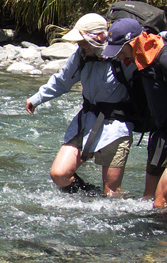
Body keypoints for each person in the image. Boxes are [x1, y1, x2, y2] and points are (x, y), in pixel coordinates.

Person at [102, 17, 167, 209]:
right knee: (148, 200)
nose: (119, 57)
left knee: (161, 205)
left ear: (133, 42)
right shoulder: (145, 57)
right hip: (162, 134)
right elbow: (151, 36)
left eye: (120, 50)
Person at [24, 13, 133, 196]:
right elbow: (63, 80)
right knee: (59, 175)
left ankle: (110, 213)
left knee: (112, 192)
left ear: (97, 37)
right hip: (87, 121)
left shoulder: (123, 55)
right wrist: (37, 98)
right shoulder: (82, 54)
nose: (78, 45)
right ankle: (89, 200)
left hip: (115, 127)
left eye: (82, 41)